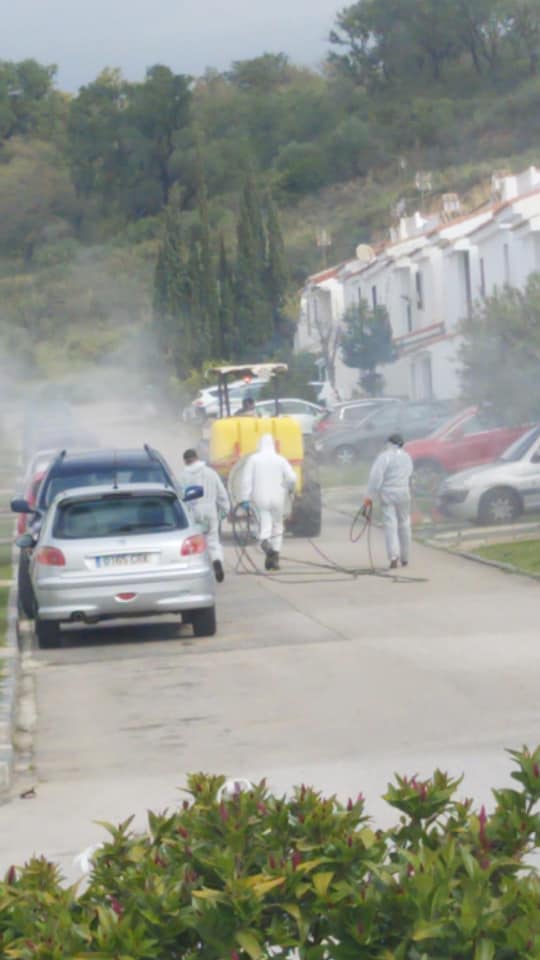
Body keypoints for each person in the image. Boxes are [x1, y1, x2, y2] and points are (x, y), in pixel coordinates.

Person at [240, 434, 297, 570]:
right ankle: (274, 558)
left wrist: (245, 499)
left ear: (259, 445)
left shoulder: (253, 459)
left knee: (264, 526)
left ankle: (266, 545)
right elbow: (292, 478)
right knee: (278, 526)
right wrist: (288, 488)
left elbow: (246, 480)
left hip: (260, 498)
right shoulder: (280, 459)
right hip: (278, 497)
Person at [363, 433, 413, 570]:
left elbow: (375, 478)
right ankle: (405, 557)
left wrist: (369, 497)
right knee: (405, 523)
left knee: (391, 525)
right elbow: (409, 475)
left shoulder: (384, 457)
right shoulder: (407, 457)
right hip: (404, 492)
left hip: (388, 494)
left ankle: (393, 557)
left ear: (389, 443)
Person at [181, 449, 230, 583]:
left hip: (193, 514)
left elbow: (180, 498)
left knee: (195, 544)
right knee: (213, 541)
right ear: (197, 458)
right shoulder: (211, 473)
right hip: (210, 512)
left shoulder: (183, 476)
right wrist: (224, 512)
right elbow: (222, 495)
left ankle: (197, 570)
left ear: (185, 461)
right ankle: (217, 561)